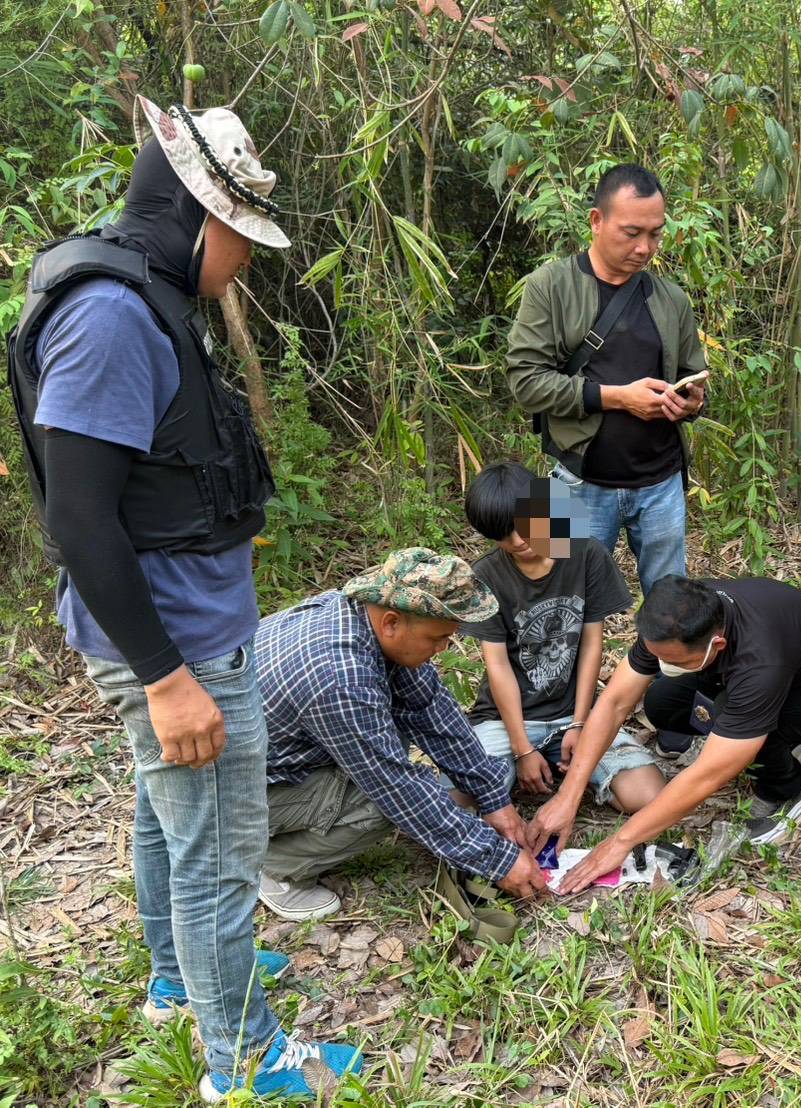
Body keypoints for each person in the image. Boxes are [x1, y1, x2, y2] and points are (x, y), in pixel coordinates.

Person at [6, 96, 360, 1100]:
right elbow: (79, 520)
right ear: (193, 217)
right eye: (239, 238)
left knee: (169, 821)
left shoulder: (139, 294)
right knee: (218, 852)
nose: (243, 261)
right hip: (176, 648)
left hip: (182, 632)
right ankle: (243, 1061)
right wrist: (167, 678)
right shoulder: (112, 317)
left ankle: (178, 980)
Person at [505, 163, 710, 758]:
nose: (645, 247)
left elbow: (693, 375)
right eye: (630, 232)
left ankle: (673, 718)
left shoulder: (668, 298)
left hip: (660, 484)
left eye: (656, 233)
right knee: (557, 603)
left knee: (672, 604)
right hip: (572, 480)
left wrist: (690, 399)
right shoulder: (552, 286)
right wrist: (615, 398)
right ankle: (557, 726)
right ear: (596, 221)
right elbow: (524, 381)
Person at [528, 575, 801, 895]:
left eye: (672, 659)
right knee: (663, 701)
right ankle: (762, 737)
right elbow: (616, 701)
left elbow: (708, 774)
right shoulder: (678, 614)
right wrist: (568, 796)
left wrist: (621, 842)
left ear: (718, 645)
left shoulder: (760, 660)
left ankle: (787, 791)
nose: (659, 663)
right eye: (655, 654)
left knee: (738, 731)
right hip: (776, 678)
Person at [253, 548, 547, 922]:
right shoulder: (339, 675)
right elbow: (396, 789)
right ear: (392, 622)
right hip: (231, 795)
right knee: (383, 805)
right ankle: (271, 866)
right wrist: (498, 860)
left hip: (279, 759)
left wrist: (494, 800)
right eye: (438, 639)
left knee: (399, 760)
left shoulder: (368, 620)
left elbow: (432, 712)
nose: (443, 650)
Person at [461, 462, 666, 812]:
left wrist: (580, 722)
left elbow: (590, 646)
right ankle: (522, 766)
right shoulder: (486, 575)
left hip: (571, 712)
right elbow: (497, 667)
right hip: (502, 719)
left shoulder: (585, 554)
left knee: (646, 795)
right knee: (454, 801)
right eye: (503, 534)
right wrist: (522, 748)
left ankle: (573, 770)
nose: (517, 541)